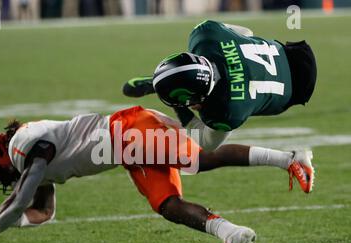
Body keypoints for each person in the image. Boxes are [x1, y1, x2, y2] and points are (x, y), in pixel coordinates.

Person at [0, 105, 314, 243]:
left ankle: (291, 156)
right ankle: (232, 234)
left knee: (199, 159)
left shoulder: (26, 146)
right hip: (124, 149)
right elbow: (42, 212)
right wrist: (12, 221)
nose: (1, 181)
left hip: (128, 131)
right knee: (167, 204)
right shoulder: (29, 157)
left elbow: (20, 201)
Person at [123, 20, 317, 148]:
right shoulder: (207, 35)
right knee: (241, 40)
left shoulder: (225, 112)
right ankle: (173, 80)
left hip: (296, 90)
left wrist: (180, 108)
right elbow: (245, 33)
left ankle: (172, 84)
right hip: (296, 54)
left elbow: (206, 144)